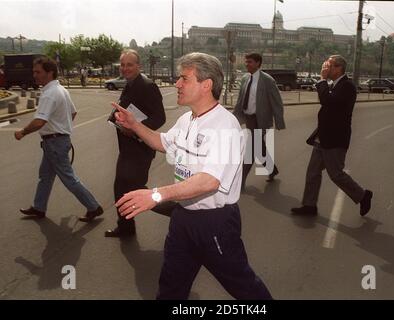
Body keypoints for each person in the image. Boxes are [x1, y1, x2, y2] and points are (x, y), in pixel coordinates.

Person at [112, 52, 272, 300]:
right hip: (183, 218)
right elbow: (162, 142)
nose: (177, 84)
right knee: (170, 287)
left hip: (215, 223)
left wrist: (155, 195)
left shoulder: (226, 126)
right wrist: (134, 125)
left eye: (184, 78)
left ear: (206, 85)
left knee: (245, 287)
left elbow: (209, 181)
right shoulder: (186, 119)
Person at [14, 56, 103, 221]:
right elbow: (73, 113)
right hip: (56, 141)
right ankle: (39, 208)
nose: (34, 75)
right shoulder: (61, 90)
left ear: (50, 73)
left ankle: (94, 207)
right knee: (45, 176)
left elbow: (40, 121)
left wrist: (22, 132)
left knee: (69, 178)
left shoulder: (50, 94)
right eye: (34, 71)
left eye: (38, 72)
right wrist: (63, 128)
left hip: (55, 143)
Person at [291, 55, 373, 217]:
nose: (325, 69)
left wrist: (321, 80)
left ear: (338, 68)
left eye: (328, 66)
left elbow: (327, 101)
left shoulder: (347, 86)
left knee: (336, 174)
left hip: (335, 139)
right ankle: (309, 205)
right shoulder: (335, 85)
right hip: (323, 137)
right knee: (313, 172)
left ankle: (363, 195)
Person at [105, 49, 166, 238]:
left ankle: (181, 212)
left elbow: (159, 117)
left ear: (138, 66)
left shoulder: (147, 86)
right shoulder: (130, 85)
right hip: (127, 150)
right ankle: (126, 228)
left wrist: (135, 129)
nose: (125, 68)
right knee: (120, 189)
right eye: (122, 65)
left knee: (137, 191)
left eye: (129, 65)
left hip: (140, 150)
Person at [233, 53, 285, 190]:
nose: (246, 64)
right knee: (259, 148)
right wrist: (235, 118)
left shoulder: (267, 80)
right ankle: (272, 170)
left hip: (260, 120)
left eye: (249, 62)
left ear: (258, 63)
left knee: (251, 149)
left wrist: (279, 121)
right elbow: (241, 100)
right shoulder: (245, 78)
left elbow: (276, 102)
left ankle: (240, 181)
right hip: (249, 118)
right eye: (246, 61)